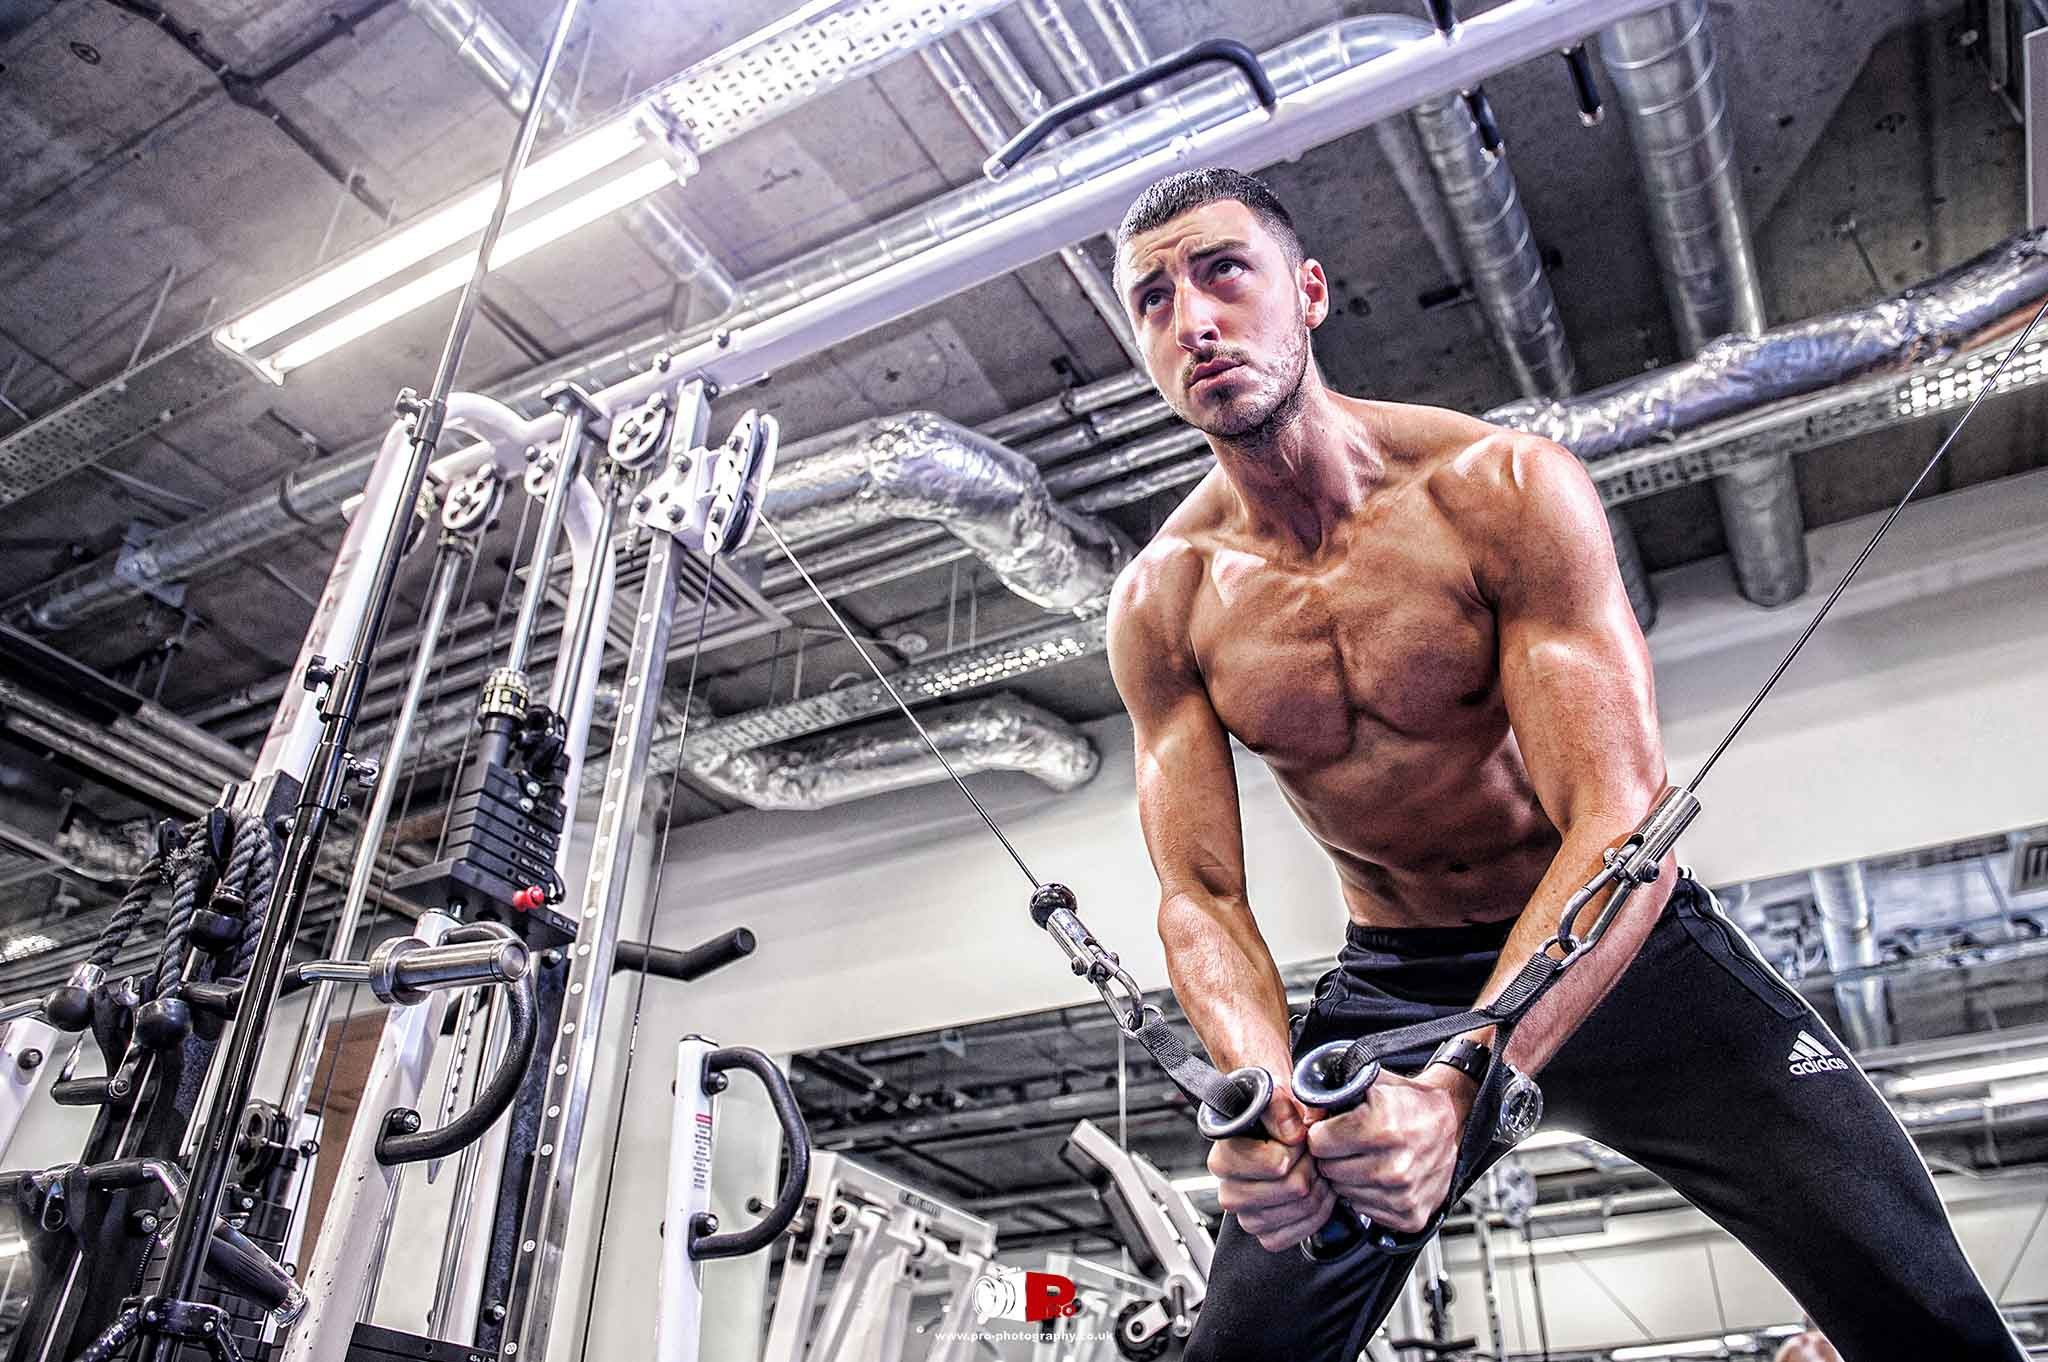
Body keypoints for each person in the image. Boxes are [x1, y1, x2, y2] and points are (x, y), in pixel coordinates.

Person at [1103, 166, 2021, 1361]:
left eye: (1223, 271)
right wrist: (1263, 1096)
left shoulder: (1497, 491)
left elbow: (1617, 820)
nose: (1195, 321)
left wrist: (1465, 1084)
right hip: (1396, 983)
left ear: (1309, 291)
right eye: (1153, 300)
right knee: (1240, 1352)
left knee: (1924, 1316)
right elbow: (1200, 896)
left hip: (1626, 958)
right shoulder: (1161, 601)